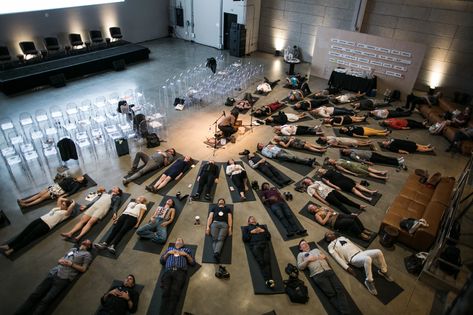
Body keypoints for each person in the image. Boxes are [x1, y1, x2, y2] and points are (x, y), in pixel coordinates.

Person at [15, 239, 92, 315]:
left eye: (88, 241)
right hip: (53, 272)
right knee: (35, 295)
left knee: (46, 301)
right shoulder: (73, 249)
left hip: (63, 278)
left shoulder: (87, 254)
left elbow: (83, 269)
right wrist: (60, 260)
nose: (86, 240)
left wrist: (71, 264)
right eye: (85, 239)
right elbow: (62, 258)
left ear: (89, 246)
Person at [1, 197, 76, 256]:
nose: (62, 205)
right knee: (24, 233)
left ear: (67, 207)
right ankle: (8, 245)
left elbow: (71, 206)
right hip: (40, 219)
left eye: (63, 205)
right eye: (62, 204)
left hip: (46, 226)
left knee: (29, 237)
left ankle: (12, 250)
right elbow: (60, 198)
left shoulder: (66, 213)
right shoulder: (58, 208)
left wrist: (72, 202)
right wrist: (67, 200)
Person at [325, 231, 393, 296]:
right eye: (328, 234)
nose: (331, 233)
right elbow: (337, 258)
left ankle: (383, 271)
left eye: (331, 232)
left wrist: (362, 252)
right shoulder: (330, 246)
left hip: (360, 253)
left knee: (378, 252)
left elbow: (352, 244)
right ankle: (369, 281)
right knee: (367, 259)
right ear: (328, 239)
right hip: (353, 258)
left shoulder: (342, 237)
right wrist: (347, 268)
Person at [297, 239, 351, 315]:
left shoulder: (316, 249)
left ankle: (345, 312)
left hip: (328, 271)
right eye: (303, 244)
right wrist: (307, 260)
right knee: (331, 294)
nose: (305, 244)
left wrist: (325, 257)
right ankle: (345, 313)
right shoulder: (300, 255)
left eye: (306, 243)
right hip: (318, 275)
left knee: (340, 290)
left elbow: (326, 258)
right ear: (300, 248)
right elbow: (300, 267)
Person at [159, 237, 195, 315]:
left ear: (183, 244)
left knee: (175, 294)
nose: (179, 241)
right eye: (177, 240)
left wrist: (186, 255)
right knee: (165, 292)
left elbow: (192, 263)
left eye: (181, 240)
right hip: (168, 271)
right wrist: (168, 253)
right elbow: (162, 261)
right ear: (175, 242)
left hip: (180, 272)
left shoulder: (187, 250)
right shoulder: (169, 249)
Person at [242, 216, 276, 288]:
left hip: (265, 244)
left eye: (254, 218)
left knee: (267, 261)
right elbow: (245, 239)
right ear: (248, 222)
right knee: (261, 261)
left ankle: (270, 279)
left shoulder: (262, 226)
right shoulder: (246, 228)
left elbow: (268, 236)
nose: (253, 219)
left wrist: (262, 231)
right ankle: (267, 280)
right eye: (251, 219)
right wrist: (251, 232)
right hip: (255, 245)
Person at [307, 204, 372, 240]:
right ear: (311, 211)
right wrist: (328, 215)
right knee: (351, 222)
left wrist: (330, 210)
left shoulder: (322, 207)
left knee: (354, 217)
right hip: (334, 222)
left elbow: (331, 210)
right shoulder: (317, 215)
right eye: (311, 207)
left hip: (338, 215)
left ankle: (363, 229)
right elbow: (322, 223)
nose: (313, 207)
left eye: (313, 205)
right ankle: (360, 234)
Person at [17, 175, 87, 208]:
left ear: (82, 181)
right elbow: (63, 180)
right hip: (55, 186)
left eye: (81, 178)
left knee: (42, 197)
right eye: (80, 176)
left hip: (59, 190)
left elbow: (72, 192)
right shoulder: (72, 178)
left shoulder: (77, 185)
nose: (80, 177)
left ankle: (26, 205)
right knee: (40, 194)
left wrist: (64, 195)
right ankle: (25, 201)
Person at [206, 198, 232, 263]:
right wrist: (207, 227)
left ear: (224, 203)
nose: (221, 201)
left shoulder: (227, 209)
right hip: (215, 223)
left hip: (224, 224)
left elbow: (230, 218)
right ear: (218, 203)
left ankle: (216, 253)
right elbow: (210, 217)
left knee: (221, 239)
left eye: (222, 200)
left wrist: (230, 228)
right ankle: (216, 254)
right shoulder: (214, 208)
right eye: (219, 200)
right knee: (214, 239)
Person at [324, 157, 388, 180]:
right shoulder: (337, 165)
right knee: (368, 173)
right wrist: (352, 173)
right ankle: (381, 178)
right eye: (330, 161)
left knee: (368, 168)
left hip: (356, 164)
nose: (331, 160)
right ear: (331, 163)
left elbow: (349, 161)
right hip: (354, 168)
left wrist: (359, 162)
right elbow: (344, 170)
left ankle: (380, 172)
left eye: (330, 159)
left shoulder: (339, 159)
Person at [341, 148, 407, 170]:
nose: (347, 150)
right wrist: (368, 163)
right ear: (346, 154)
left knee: (385, 157)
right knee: (384, 160)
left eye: (346, 149)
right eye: (345, 151)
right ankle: (397, 163)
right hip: (370, 157)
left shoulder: (351, 149)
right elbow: (359, 160)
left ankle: (397, 159)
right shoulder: (352, 155)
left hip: (371, 153)